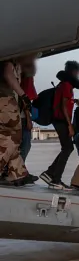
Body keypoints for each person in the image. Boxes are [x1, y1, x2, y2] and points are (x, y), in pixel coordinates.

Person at [41, 60, 79, 190]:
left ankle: (50, 174)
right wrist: (69, 125)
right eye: (78, 72)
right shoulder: (66, 85)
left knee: (67, 148)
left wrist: (72, 100)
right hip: (61, 120)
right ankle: (55, 179)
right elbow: (63, 106)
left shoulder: (63, 84)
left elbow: (64, 101)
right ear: (73, 71)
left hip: (59, 119)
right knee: (67, 148)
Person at [0, 57, 32, 186]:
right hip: (5, 102)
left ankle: (18, 174)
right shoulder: (6, 59)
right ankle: (16, 173)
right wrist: (23, 95)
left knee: (10, 139)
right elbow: (9, 75)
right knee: (13, 137)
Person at [19, 57, 38, 162]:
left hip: (14, 115)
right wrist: (28, 119)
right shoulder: (27, 78)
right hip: (21, 117)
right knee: (25, 146)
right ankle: (19, 172)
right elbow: (25, 98)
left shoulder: (18, 75)